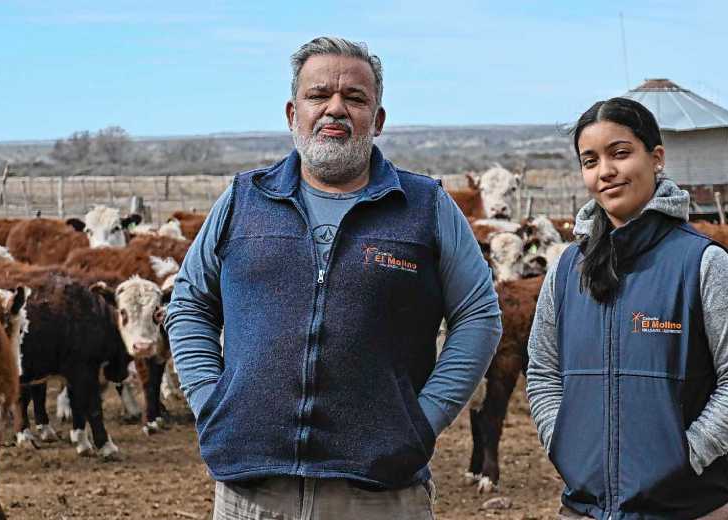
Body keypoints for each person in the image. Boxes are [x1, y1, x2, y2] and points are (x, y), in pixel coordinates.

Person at [165, 36, 502, 520]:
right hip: (253, 493)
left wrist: (422, 422)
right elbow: (190, 303)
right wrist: (210, 401)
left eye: (356, 98)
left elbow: (478, 315)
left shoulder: (424, 207)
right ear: (292, 113)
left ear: (378, 120)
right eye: (318, 95)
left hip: (381, 494)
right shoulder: (243, 201)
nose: (335, 109)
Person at [525, 97, 728, 520]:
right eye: (590, 161)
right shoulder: (566, 270)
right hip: (586, 506)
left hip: (688, 506)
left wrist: (684, 455)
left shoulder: (703, 264)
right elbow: (543, 371)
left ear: (656, 158)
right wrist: (563, 443)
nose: (606, 171)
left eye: (620, 153)